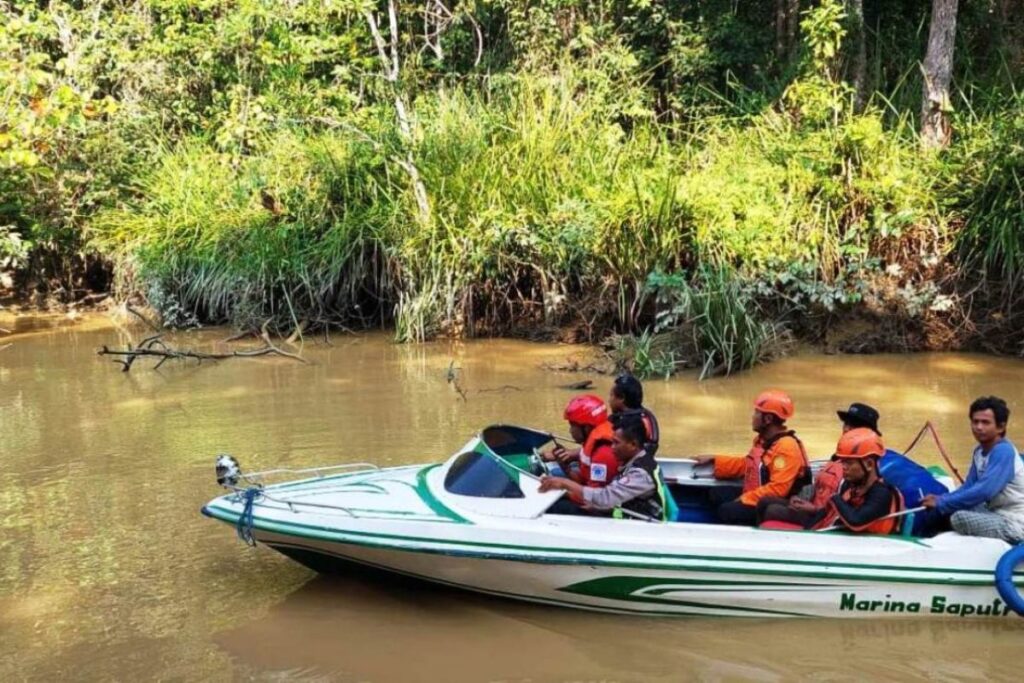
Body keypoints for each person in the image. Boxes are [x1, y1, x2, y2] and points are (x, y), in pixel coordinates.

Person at [695, 390, 810, 526]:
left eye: (757, 413)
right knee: (715, 494)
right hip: (758, 493)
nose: (752, 417)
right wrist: (716, 460)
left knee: (727, 511)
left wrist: (744, 499)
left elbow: (778, 490)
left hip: (776, 503)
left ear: (768, 419)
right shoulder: (763, 441)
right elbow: (749, 465)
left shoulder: (786, 447)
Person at [921, 396, 1024, 544]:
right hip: (994, 512)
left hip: (1015, 522)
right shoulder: (979, 451)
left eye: (985, 422)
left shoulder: (1003, 451)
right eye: (975, 422)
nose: (979, 427)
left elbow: (984, 491)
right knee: (949, 506)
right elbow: (969, 487)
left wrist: (943, 503)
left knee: (959, 517)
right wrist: (941, 499)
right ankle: (925, 540)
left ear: (1000, 427)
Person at [759, 428, 903, 533]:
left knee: (772, 510)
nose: (843, 467)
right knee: (766, 502)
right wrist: (814, 509)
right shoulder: (853, 487)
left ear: (869, 464)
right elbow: (830, 514)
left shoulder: (882, 494)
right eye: (843, 462)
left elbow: (856, 521)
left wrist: (834, 498)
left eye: (849, 463)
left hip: (865, 550)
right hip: (832, 536)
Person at [539, 417, 667, 520]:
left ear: (633, 445)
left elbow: (605, 498)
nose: (612, 448)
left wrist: (564, 483)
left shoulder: (640, 474)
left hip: (638, 529)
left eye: (616, 443)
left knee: (558, 508)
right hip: (623, 515)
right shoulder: (637, 461)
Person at [542, 394, 619, 488]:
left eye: (572, 425)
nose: (570, 430)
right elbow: (583, 481)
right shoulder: (592, 439)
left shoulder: (603, 455)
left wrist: (562, 486)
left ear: (586, 427)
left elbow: (594, 497)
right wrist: (564, 466)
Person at [608, 373, 660, 456]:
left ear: (621, 398)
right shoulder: (649, 416)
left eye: (611, 395)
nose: (609, 400)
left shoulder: (617, 420)